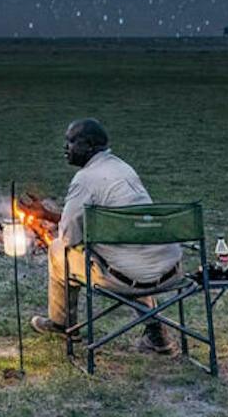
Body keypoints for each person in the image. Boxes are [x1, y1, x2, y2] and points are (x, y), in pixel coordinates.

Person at [31, 117, 182, 352]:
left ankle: (62, 325)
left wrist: (60, 232)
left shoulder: (85, 179)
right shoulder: (123, 168)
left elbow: (69, 237)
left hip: (127, 278)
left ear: (88, 145)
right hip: (169, 271)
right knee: (130, 256)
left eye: (70, 142)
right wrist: (49, 215)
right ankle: (156, 332)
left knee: (58, 250)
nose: (66, 148)